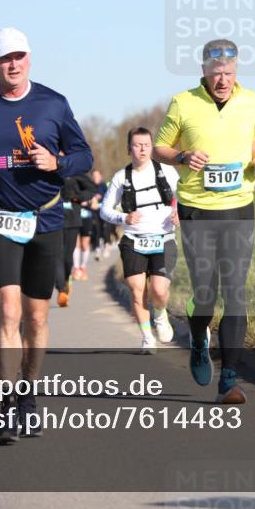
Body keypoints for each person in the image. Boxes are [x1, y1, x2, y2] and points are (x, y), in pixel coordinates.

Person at [0, 27, 92, 443]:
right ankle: (7, 406)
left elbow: (84, 156)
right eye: (4, 58)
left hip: (45, 220)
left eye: (19, 56)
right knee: (8, 311)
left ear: (30, 58)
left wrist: (57, 163)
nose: (13, 64)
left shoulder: (53, 103)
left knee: (36, 316)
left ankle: (29, 399)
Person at [153, 38, 255, 404]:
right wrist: (182, 156)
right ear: (204, 71)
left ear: (237, 71)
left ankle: (230, 379)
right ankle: (198, 340)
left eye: (229, 73)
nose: (223, 80)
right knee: (206, 294)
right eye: (217, 73)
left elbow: (253, 141)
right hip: (197, 209)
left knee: (235, 292)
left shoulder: (251, 100)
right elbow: (160, 147)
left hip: (239, 206)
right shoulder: (183, 102)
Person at [101, 127, 179, 353]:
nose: (142, 149)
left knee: (159, 291)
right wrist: (124, 217)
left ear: (152, 147)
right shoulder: (120, 177)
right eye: (137, 145)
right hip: (134, 240)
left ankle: (160, 313)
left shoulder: (166, 171)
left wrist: (178, 212)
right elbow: (105, 210)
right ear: (129, 149)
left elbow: (183, 196)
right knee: (136, 290)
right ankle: (147, 337)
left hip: (163, 238)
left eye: (146, 144)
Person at [55, 172, 97, 307]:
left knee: (67, 258)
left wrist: (77, 198)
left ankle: (66, 280)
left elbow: (91, 189)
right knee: (57, 256)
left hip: (73, 219)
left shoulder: (75, 171)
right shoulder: (47, 168)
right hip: (53, 219)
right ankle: (61, 289)